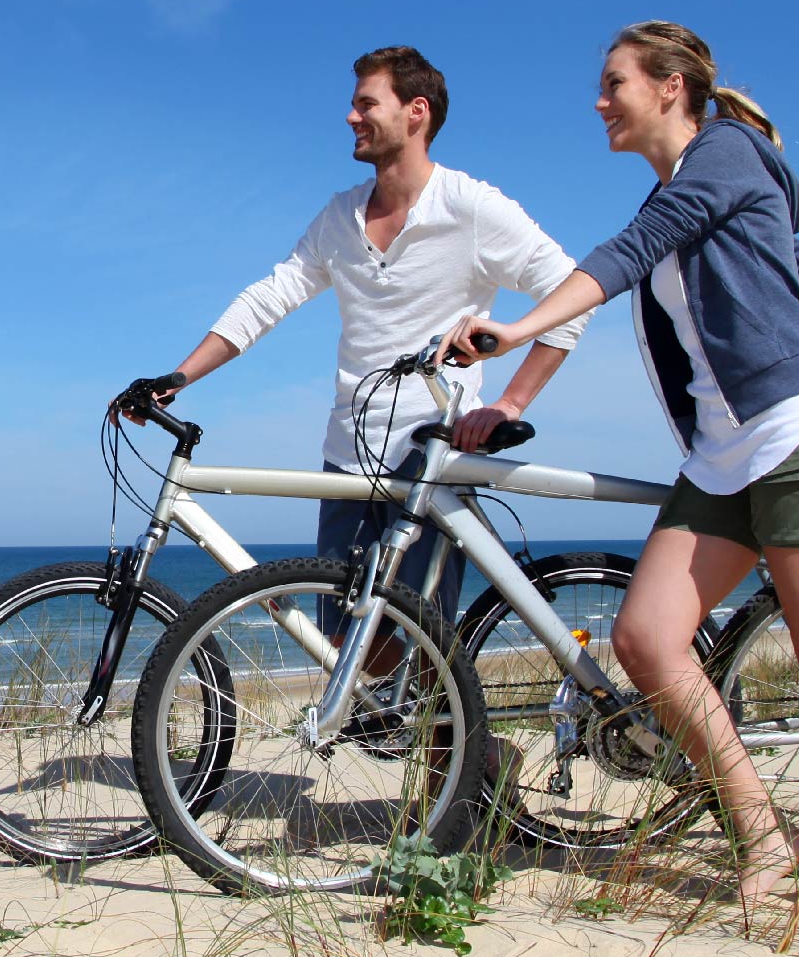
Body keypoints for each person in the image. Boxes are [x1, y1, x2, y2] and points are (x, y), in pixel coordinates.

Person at [445, 21, 799, 917]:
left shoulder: (726, 151)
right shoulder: (692, 190)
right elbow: (783, 258)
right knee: (648, 640)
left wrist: (517, 330)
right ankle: (761, 836)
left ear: (669, 87)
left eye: (614, 81)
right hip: (725, 454)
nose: (599, 98)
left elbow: (630, 254)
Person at [135, 45, 593, 633]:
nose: (351, 117)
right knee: (346, 645)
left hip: (434, 455)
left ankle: (454, 729)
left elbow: (571, 293)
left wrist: (510, 404)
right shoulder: (339, 216)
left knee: (429, 651)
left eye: (366, 104)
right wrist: (179, 377)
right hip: (347, 458)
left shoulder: (471, 207)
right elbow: (267, 299)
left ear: (416, 111)